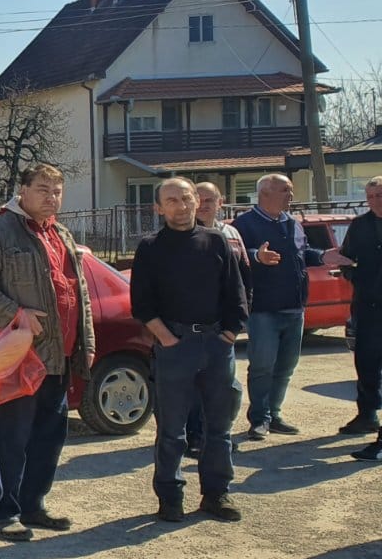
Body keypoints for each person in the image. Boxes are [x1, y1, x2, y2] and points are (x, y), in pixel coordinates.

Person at [0, 162, 94, 542]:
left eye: (56, 191)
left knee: (48, 438)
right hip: (20, 358)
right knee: (10, 439)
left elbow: (79, 292)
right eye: (42, 189)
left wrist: (86, 344)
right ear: (22, 191)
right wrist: (15, 313)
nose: (51, 198)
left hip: (58, 357)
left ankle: (34, 504)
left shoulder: (61, 234)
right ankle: (4, 513)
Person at [129, 178, 249, 522]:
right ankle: (170, 497)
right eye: (171, 200)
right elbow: (142, 304)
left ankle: (216, 493)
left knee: (219, 427)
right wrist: (166, 338)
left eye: (185, 198)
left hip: (216, 344)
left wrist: (229, 333)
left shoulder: (216, 241)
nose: (180, 206)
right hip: (174, 346)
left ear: (197, 200)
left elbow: (236, 292)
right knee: (171, 429)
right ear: (158, 208)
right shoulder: (150, 247)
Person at [230, 174, 353, 440]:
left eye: (291, 190)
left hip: (295, 308)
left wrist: (323, 256)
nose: (291, 195)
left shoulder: (292, 223)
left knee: (286, 366)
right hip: (263, 309)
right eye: (285, 190)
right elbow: (235, 257)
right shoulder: (244, 224)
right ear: (265, 193)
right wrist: (257, 256)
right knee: (262, 366)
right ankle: (259, 419)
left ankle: (274, 415)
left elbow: (302, 253)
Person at [184, 182, 252, 457]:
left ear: (220, 202)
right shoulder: (184, 235)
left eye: (210, 199)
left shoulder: (232, 234)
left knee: (225, 388)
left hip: (224, 328)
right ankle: (196, 438)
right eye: (199, 199)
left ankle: (218, 437)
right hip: (193, 328)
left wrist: (236, 324)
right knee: (195, 389)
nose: (204, 205)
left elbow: (244, 279)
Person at [342, 177, 382, 452]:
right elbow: (346, 259)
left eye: (379, 195)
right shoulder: (359, 225)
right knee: (366, 362)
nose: (375, 201)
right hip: (367, 306)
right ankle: (367, 415)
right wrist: (355, 276)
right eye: (370, 197)